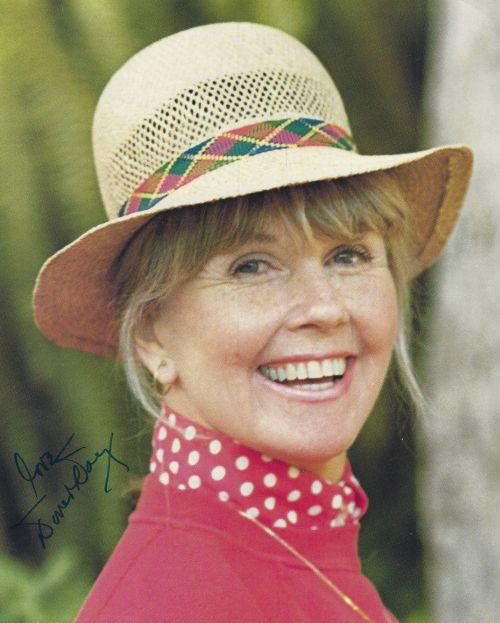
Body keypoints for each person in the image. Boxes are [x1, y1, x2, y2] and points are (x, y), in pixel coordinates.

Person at [32, 21, 473, 623]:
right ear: (151, 335)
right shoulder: (172, 604)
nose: (324, 308)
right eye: (250, 267)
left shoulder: (295, 548)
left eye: (348, 256)